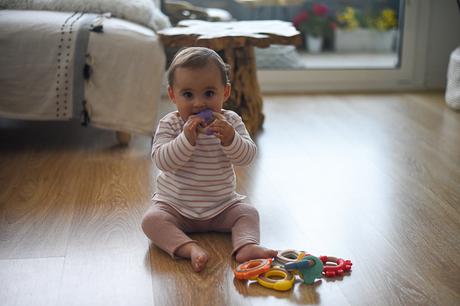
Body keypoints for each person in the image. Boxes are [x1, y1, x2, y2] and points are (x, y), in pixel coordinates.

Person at [141, 47, 277, 272]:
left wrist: (231, 138)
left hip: (222, 206)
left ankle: (247, 246)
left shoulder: (230, 121)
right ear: (173, 95)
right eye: (187, 95)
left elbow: (247, 157)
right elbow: (162, 161)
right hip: (176, 206)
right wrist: (186, 139)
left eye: (209, 93)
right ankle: (189, 248)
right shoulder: (170, 124)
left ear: (225, 92)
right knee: (151, 221)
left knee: (248, 212)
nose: (198, 104)